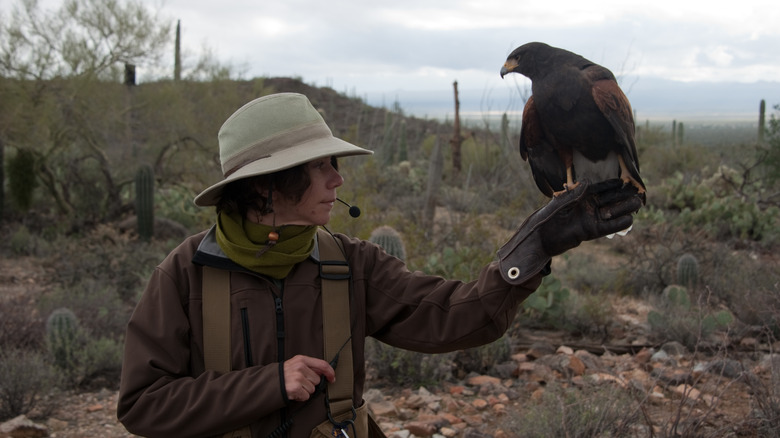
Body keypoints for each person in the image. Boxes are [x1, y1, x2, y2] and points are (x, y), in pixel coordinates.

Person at [117, 92, 642, 438]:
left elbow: (455, 316)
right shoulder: (186, 273)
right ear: (266, 184)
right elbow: (142, 404)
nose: (337, 179)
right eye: (321, 166)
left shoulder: (350, 264)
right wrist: (270, 383)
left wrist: (535, 248)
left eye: (335, 164)